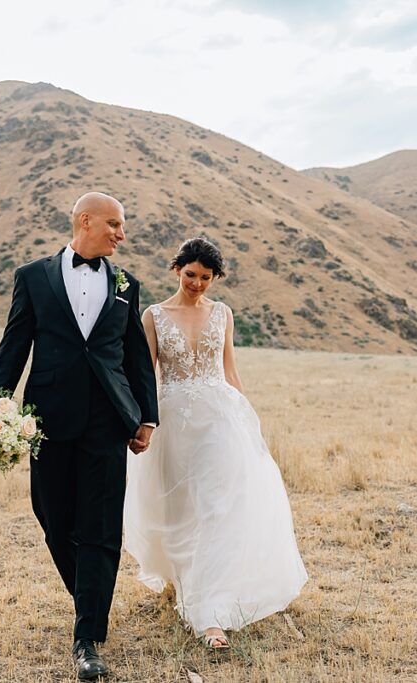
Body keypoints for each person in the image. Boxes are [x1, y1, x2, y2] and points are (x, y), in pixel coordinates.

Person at [0, 192, 159, 681]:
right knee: (53, 517)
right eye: (115, 225)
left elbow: (134, 356)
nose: (122, 234)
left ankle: (88, 638)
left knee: (101, 527)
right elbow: (14, 345)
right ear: (86, 221)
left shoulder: (127, 284)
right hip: (50, 419)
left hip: (108, 419)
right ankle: (90, 598)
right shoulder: (33, 277)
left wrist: (147, 416)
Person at [123, 236, 308, 650]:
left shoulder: (222, 314)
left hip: (219, 422)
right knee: (180, 509)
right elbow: (144, 375)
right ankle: (186, 581)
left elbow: (231, 371)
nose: (198, 284)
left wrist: (248, 422)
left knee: (215, 508)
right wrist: (140, 423)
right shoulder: (153, 315)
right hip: (172, 423)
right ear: (176, 270)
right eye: (191, 275)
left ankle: (210, 615)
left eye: (207, 278)